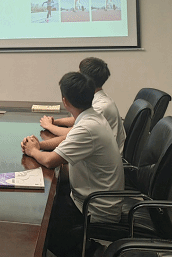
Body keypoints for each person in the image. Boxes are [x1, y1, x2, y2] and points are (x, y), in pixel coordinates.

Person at [21, 72, 124, 256]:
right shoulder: (92, 117)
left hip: (94, 208)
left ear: (65, 101)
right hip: (92, 197)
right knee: (48, 200)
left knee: (39, 224)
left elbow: (50, 161)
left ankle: (89, 250)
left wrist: (33, 151)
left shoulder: (87, 127)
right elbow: (66, 140)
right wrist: (38, 146)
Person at [39, 57, 126, 153]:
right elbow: (78, 119)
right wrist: (54, 122)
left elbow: (72, 134)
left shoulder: (101, 107)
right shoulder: (99, 98)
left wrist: (49, 126)